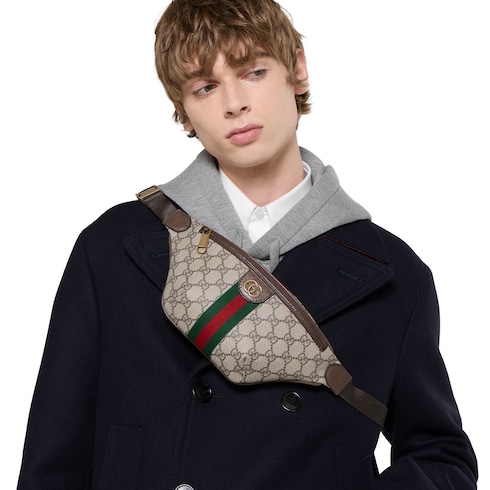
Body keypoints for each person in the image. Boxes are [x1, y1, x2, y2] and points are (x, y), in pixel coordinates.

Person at [18, 0, 477, 488]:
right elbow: (53, 457)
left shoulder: (395, 275)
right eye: (205, 87)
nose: (234, 103)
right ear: (183, 112)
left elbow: (441, 455)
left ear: (297, 69)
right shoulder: (111, 248)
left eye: (253, 72)